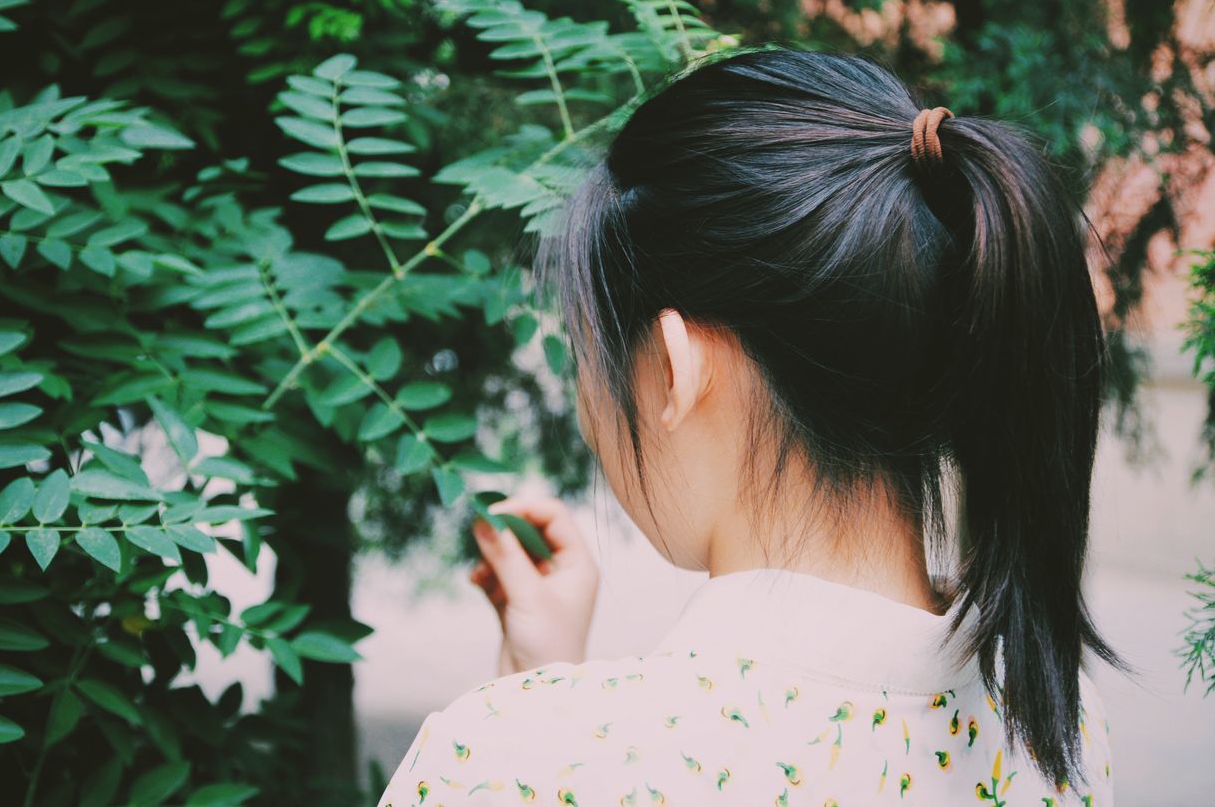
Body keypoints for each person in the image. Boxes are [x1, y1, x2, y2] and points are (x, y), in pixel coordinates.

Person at [377, 46, 1121, 806]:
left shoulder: (499, 760)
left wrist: (534, 708)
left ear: (675, 367)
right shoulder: (1057, 734)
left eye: (588, 350)